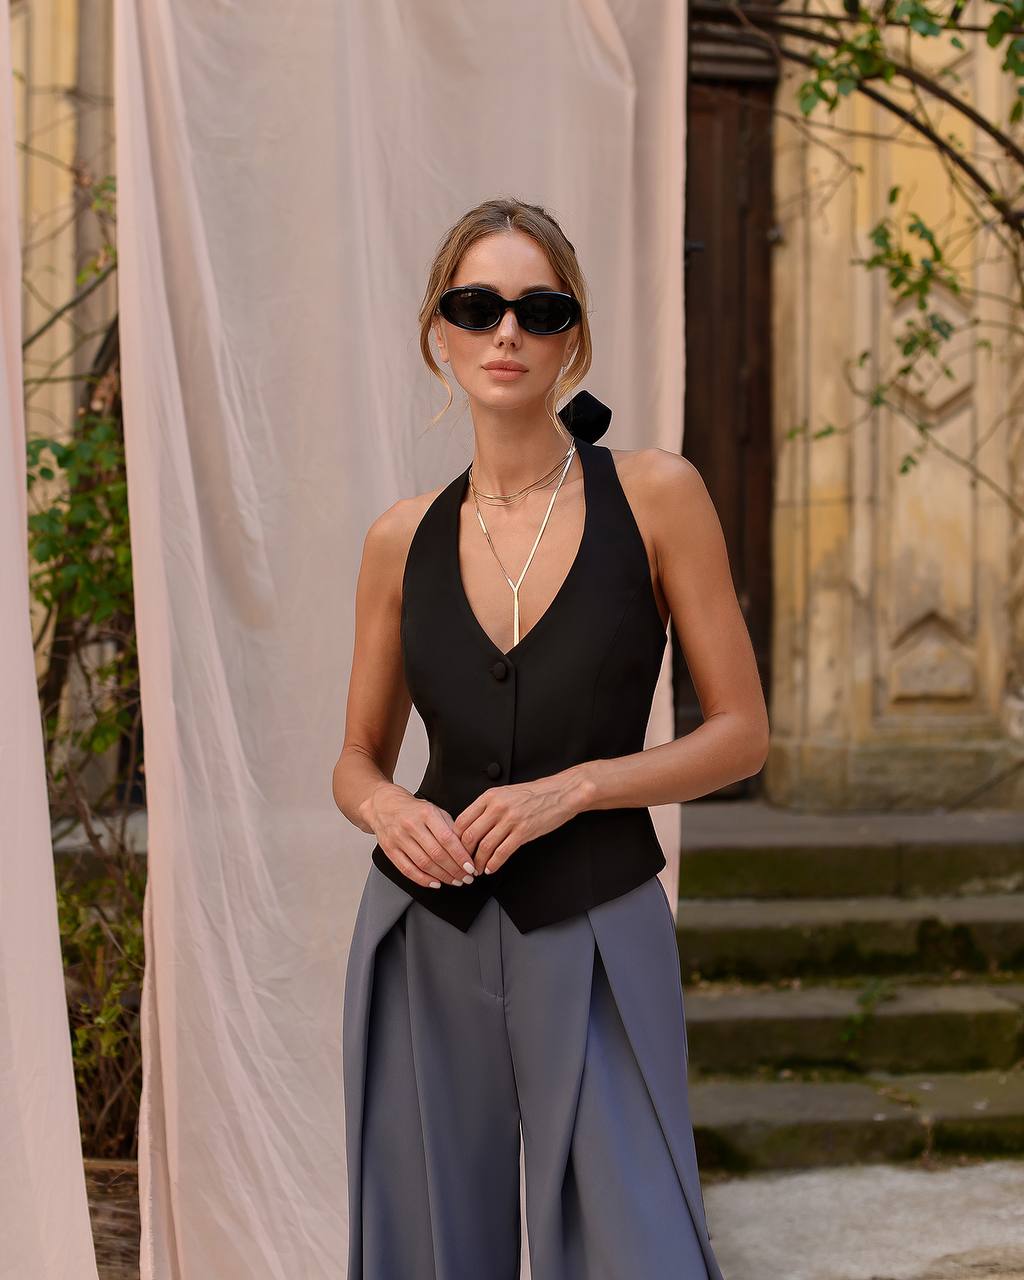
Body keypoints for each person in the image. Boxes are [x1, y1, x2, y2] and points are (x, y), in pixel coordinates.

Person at [332, 196, 768, 1280]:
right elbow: (356, 756)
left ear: (573, 335)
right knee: (431, 1251)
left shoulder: (657, 495)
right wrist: (387, 807)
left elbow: (741, 735)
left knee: (641, 1251)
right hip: (421, 930)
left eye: (538, 307)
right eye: (476, 306)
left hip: (597, 921)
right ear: (440, 330)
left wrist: (573, 787)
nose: (506, 332)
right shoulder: (399, 537)